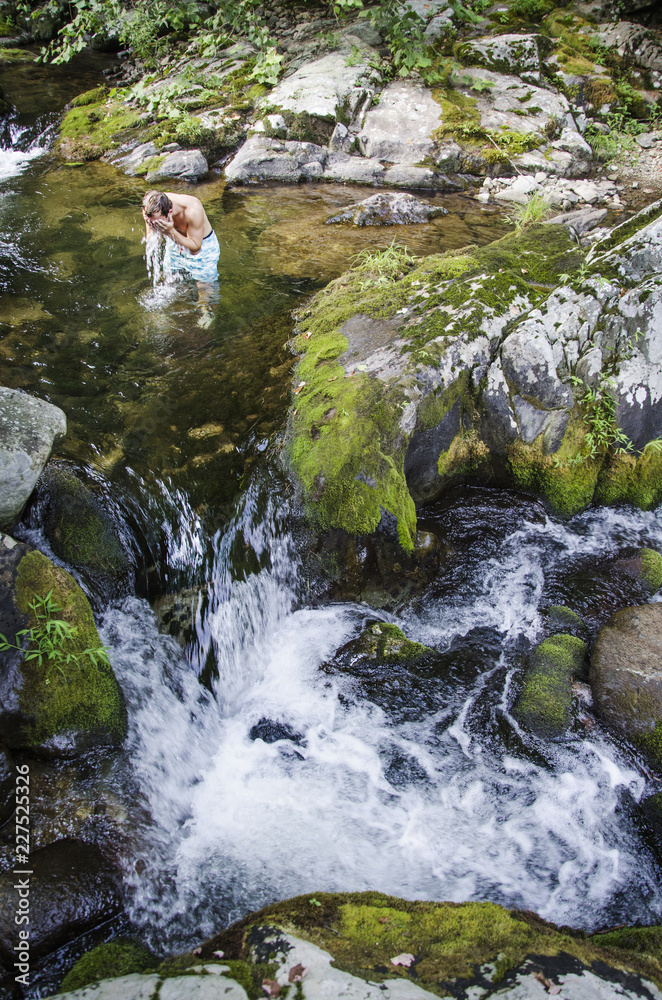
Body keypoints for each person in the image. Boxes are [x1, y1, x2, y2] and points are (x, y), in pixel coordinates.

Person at [142, 189, 220, 285]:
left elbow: (195, 249)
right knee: (168, 281)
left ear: (169, 212)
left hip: (202, 248)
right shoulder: (150, 205)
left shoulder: (193, 210)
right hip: (174, 242)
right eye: (151, 222)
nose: (154, 225)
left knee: (204, 289)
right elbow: (151, 239)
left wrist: (170, 232)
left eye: (159, 223)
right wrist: (156, 232)